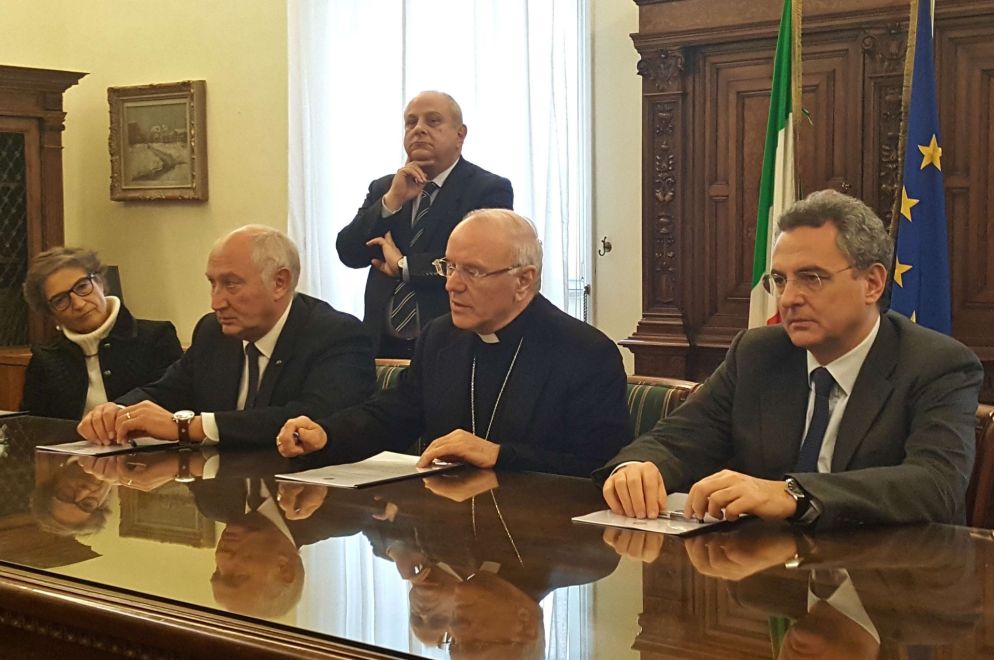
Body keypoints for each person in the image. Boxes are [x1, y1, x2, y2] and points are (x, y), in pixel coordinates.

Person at [598, 189, 983, 529]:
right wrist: (636, 469)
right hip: (772, 583)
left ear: (872, 283)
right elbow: (678, 440)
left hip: (889, 587)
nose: (788, 299)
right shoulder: (758, 354)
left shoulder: (937, 364)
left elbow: (935, 484)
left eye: (811, 278)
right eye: (781, 280)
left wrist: (793, 495)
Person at [278, 209, 630, 477]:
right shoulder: (440, 337)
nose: (452, 285)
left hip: (538, 545)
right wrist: (327, 434)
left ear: (524, 280)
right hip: (451, 540)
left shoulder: (584, 352)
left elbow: (601, 466)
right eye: (450, 267)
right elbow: (393, 415)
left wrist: (499, 455)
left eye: (472, 272)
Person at [77, 225, 375, 446]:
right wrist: (116, 411)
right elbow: (166, 392)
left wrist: (187, 427)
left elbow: (310, 418)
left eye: (231, 284)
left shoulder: (336, 335)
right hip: (227, 497)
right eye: (212, 284)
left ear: (280, 283)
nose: (216, 302)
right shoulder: (213, 333)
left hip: (308, 508)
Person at [337, 90, 514, 358]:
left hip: (452, 345)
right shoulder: (385, 188)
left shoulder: (487, 189)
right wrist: (391, 202)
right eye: (411, 122)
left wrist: (403, 267)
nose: (418, 130)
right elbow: (349, 252)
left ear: (460, 134)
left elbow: (480, 264)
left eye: (432, 122)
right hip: (381, 346)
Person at [20, 247, 182, 420]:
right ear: (51, 314)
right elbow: (32, 428)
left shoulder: (156, 338)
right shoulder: (45, 359)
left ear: (100, 282)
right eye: (60, 300)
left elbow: (176, 404)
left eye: (82, 287)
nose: (79, 304)